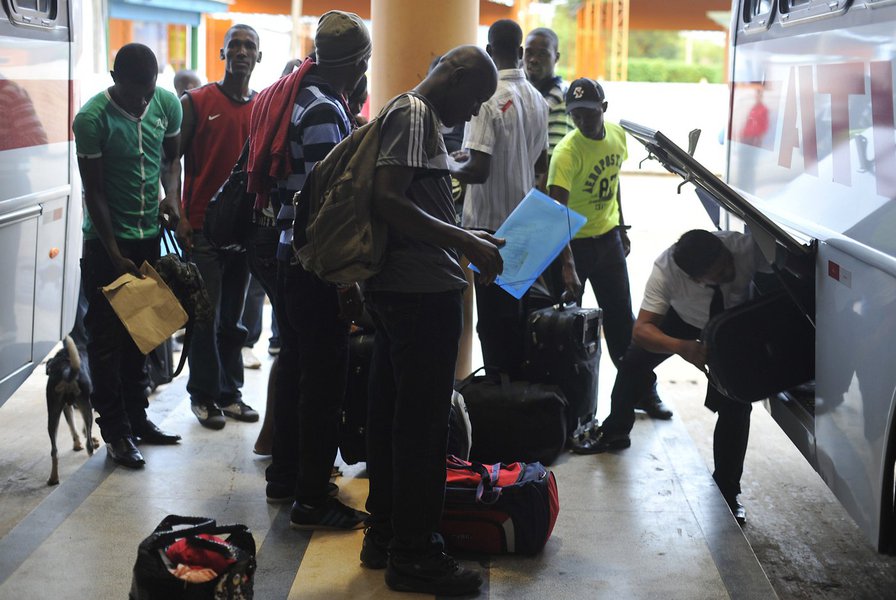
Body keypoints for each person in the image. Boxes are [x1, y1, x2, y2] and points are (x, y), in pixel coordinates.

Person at [361, 45, 503, 596]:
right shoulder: (416, 114)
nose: (471, 114)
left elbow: (415, 204)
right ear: (456, 74)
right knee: (421, 431)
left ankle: (386, 535)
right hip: (419, 296)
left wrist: (466, 239)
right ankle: (415, 555)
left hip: (406, 291)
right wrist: (465, 240)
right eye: (474, 100)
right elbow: (390, 201)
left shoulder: (407, 113)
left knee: (392, 419)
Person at [249, 10, 370, 529]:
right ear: (358, 63)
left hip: (285, 258)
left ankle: (286, 478)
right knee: (324, 380)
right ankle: (311, 499)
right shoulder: (322, 109)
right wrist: (349, 279)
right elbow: (332, 207)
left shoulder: (297, 95)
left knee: (299, 369)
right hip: (313, 265)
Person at [579, 229, 770, 524]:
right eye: (720, 273)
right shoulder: (665, 271)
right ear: (697, 279)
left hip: (731, 323)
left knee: (736, 403)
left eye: (727, 262)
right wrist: (681, 348)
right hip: (684, 320)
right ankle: (615, 430)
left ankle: (727, 492)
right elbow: (642, 329)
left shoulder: (743, 247)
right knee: (632, 363)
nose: (730, 271)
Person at [72, 43, 182, 468]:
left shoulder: (167, 103)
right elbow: (93, 190)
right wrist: (115, 253)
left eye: (149, 90)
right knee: (105, 340)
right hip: (105, 244)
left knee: (145, 331)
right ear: (115, 77)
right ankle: (116, 432)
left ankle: (139, 420)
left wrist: (171, 198)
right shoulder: (92, 119)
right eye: (135, 91)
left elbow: (171, 160)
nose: (143, 99)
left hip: (148, 237)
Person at [547, 78, 672, 422]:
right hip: (573, 248)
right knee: (564, 328)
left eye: (589, 113)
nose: (583, 121)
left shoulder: (617, 136)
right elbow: (557, 214)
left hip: (608, 242)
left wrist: (621, 226)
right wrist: (567, 265)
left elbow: (613, 182)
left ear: (603, 109)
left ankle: (643, 392)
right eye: (576, 115)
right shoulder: (566, 153)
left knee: (622, 324)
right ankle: (562, 404)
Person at [451, 19, 548, 378]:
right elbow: (541, 163)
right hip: (526, 226)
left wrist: (445, 164)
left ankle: (498, 408)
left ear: (490, 53)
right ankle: (520, 406)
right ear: (520, 53)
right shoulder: (538, 100)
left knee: (493, 326)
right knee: (518, 323)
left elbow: (477, 170)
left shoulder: (488, 99)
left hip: (488, 232)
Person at [176, 24, 261, 430]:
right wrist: (176, 212)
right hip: (202, 229)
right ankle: (203, 395)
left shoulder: (262, 106)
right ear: (223, 54)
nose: (242, 52)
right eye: (235, 46)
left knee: (234, 320)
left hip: (241, 232)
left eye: (250, 47)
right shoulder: (196, 101)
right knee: (205, 317)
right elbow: (168, 158)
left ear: (258, 57)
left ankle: (230, 394)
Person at [523, 27, 571, 159]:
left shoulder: (562, 99)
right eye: (529, 53)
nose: (533, 59)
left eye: (542, 54)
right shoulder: (523, 93)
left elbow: (554, 158)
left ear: (556, 57)